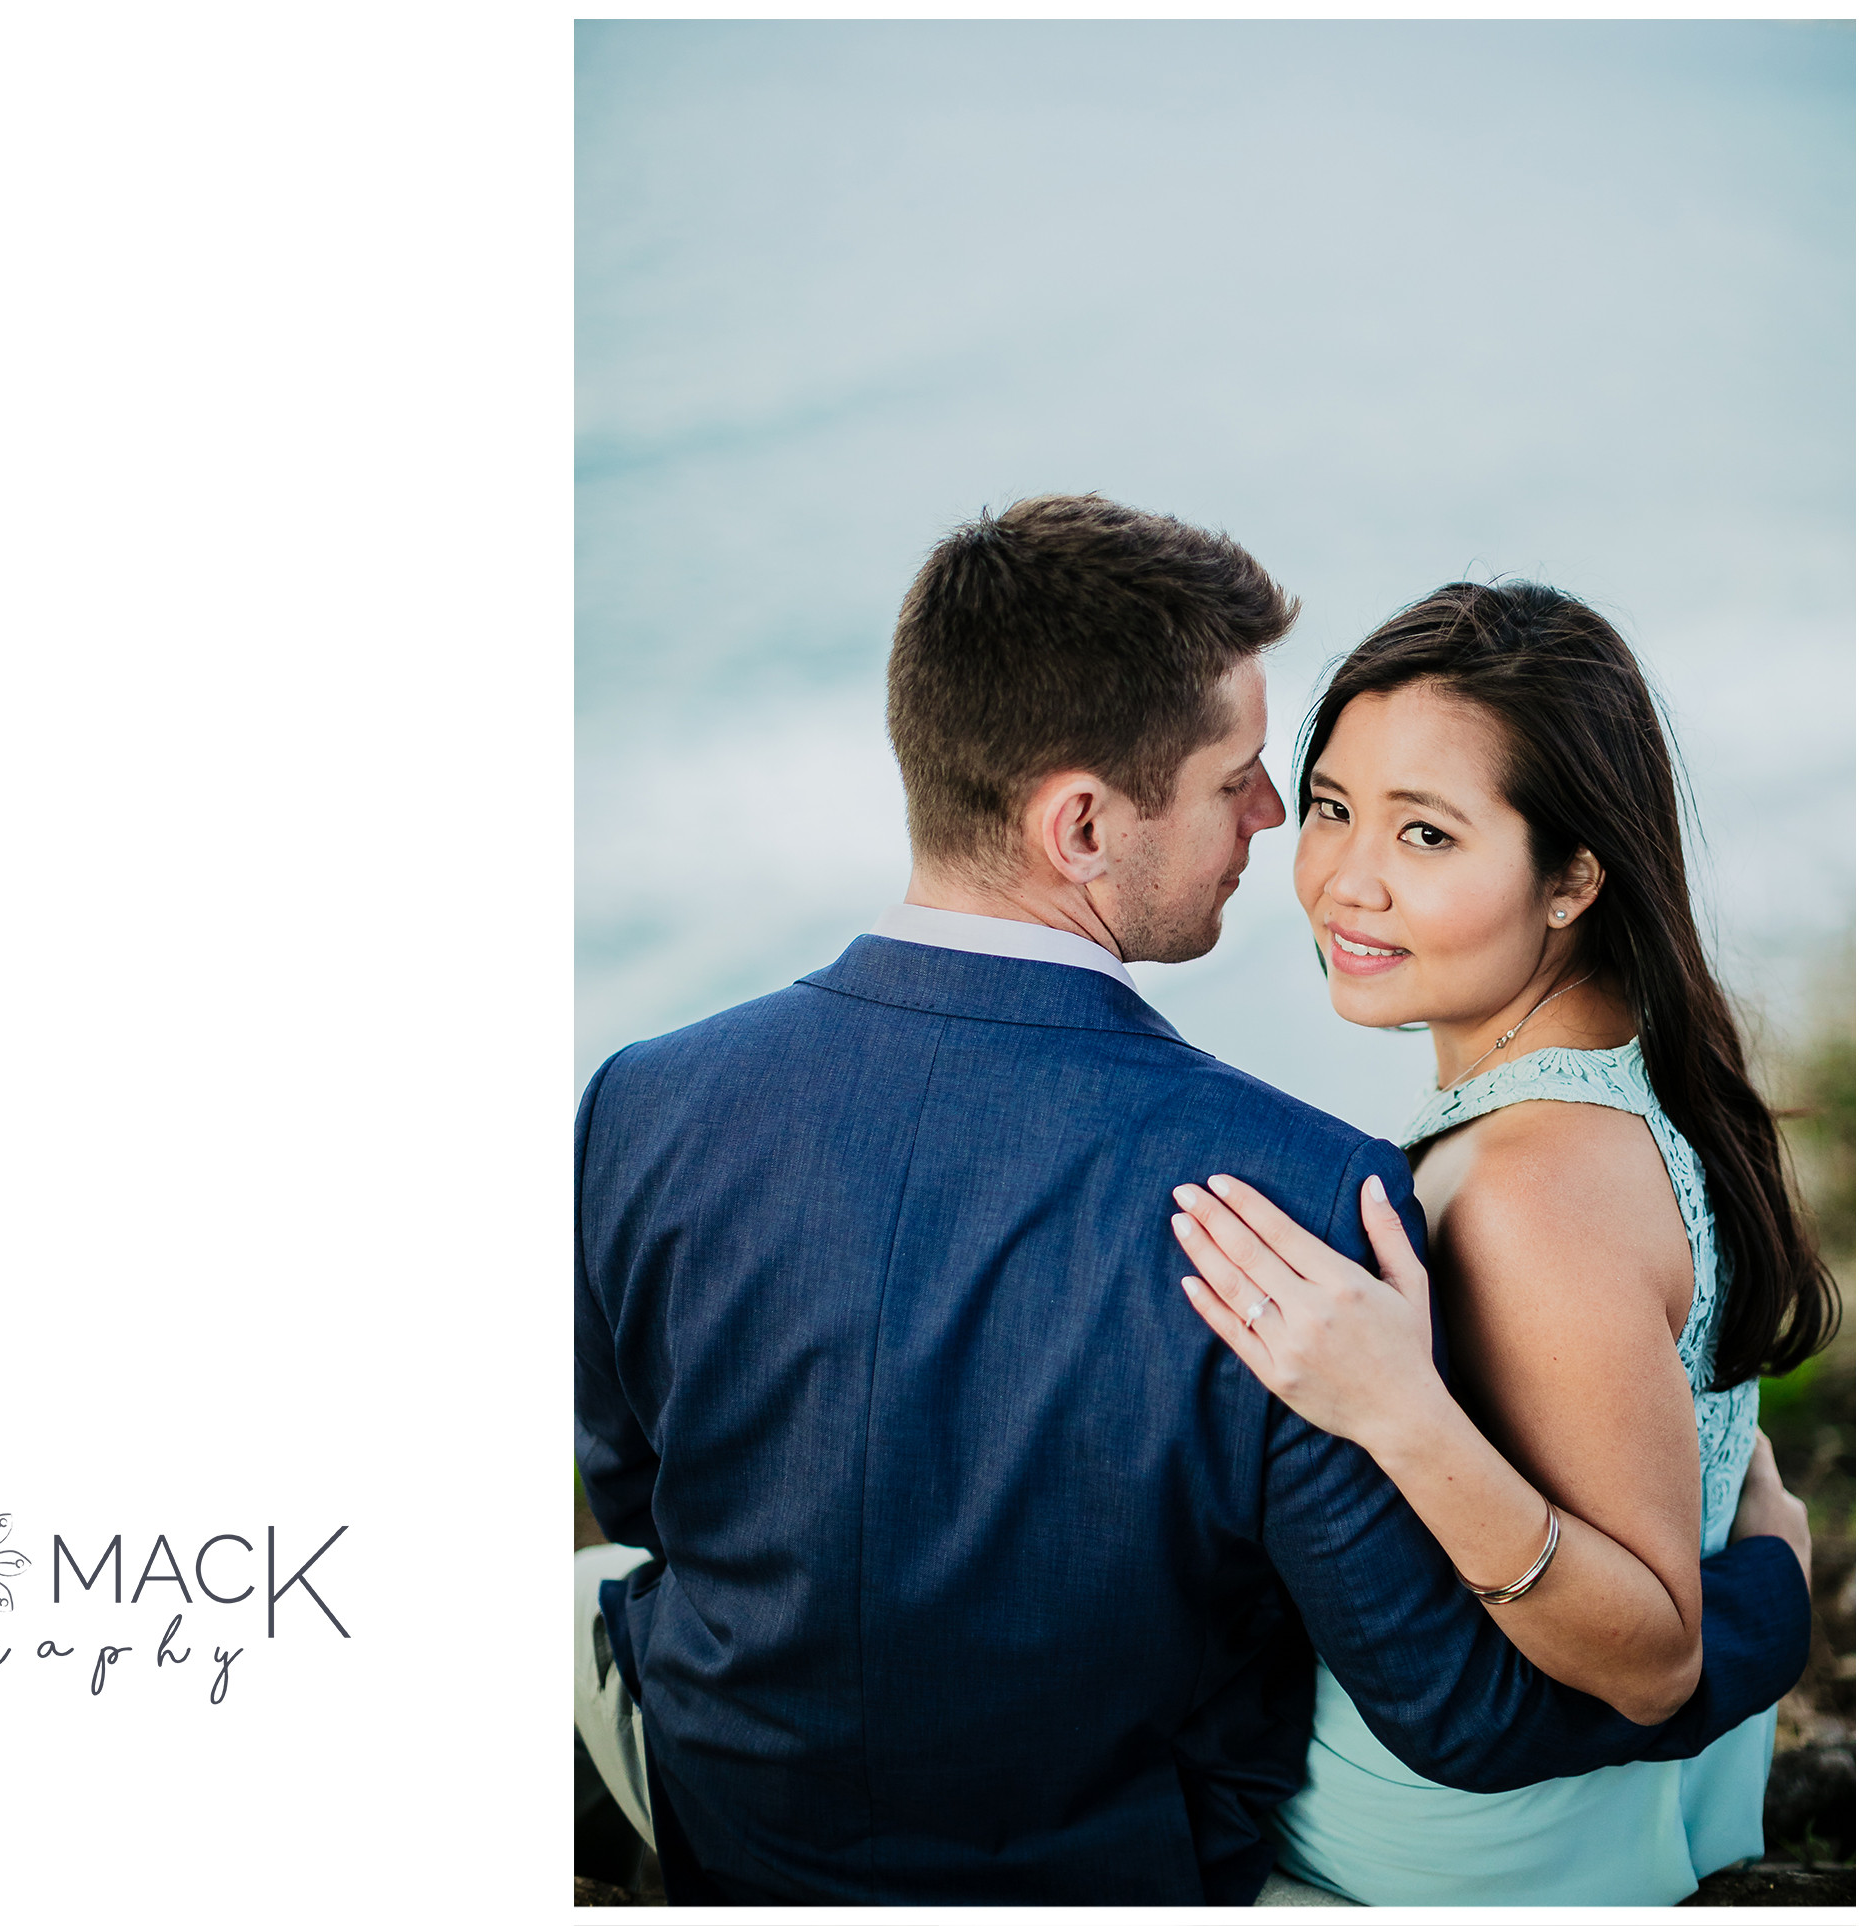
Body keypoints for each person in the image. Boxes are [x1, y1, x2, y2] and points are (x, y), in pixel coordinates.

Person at [572, 496, 1813, 1906]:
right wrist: (1768, 1593)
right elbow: (1457, 1702)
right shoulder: (1286, 1195)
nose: (1281, 824)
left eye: (1413, 828)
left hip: (739, 1833)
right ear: (1082, 824)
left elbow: (640, 1488)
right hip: (1123, 1866)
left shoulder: (642, 1097)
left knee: (582, 1599)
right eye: (1256, 780)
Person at [1168, 581, 1834, 1903]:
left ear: (1571, 876)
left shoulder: (1529, 1188)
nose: (1345, 878)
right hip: (1606, 1816)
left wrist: (1394, 1409)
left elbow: (1648, 1653)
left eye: (1425, 832)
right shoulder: (1636, 1080)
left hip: (1455, 1855)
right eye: (1335, 805)